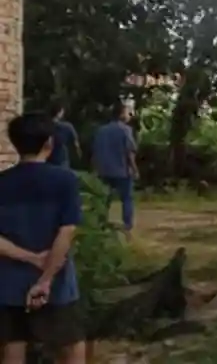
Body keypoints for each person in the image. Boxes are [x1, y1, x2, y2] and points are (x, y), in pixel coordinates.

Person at [0, 112, 86, 364]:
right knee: (70, 343)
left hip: (9, 282)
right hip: (57, 280)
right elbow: (66, 232)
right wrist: (46, 278)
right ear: (49, 142)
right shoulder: (65, 180)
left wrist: (30, 258)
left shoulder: (2, 183)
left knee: (13, 343)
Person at [92, 102, 138, 233]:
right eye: (127, 112)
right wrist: (134, 169)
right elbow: (129, 152)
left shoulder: (101, 131)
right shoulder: (125, 130)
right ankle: (127, 225)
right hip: (121, 170)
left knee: (104, 198)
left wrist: (95, 168)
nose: (129, 115)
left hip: (104, 170)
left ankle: (101, 223)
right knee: (126, 198)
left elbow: (95, 152)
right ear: (121, 114)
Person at [46, 103, 80, 170]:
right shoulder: (67, 127)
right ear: (59, 113)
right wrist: (78, 156)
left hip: (47, 160)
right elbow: (76, 144)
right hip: (61, 160)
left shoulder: (44, 126)